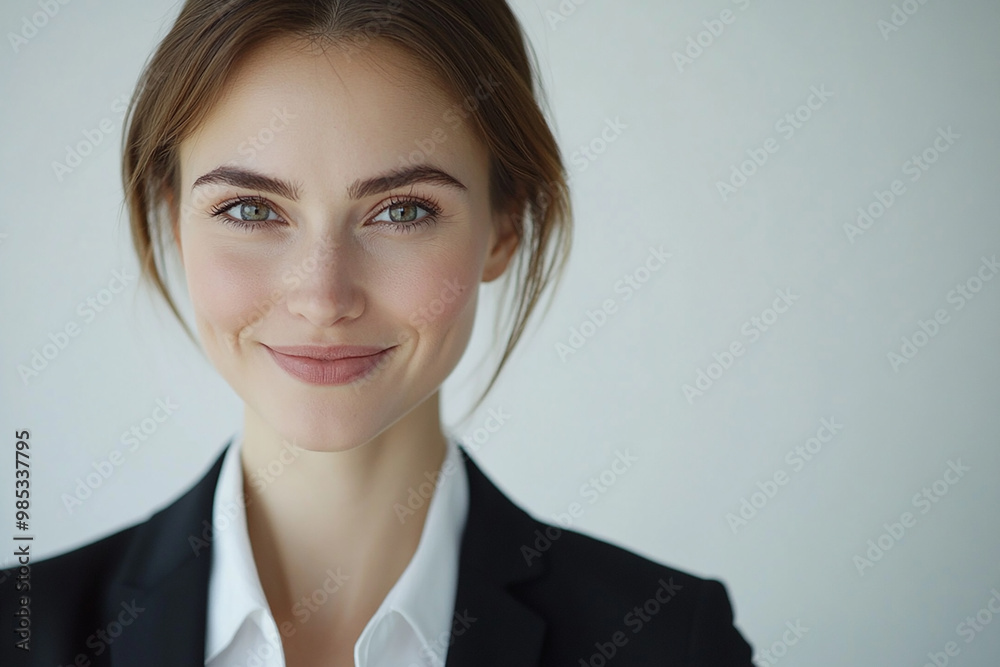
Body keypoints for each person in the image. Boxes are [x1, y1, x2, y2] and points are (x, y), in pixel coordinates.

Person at [0, 1, 754, 664]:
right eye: (251, 210)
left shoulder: (668, 640)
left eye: (402, 211)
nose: (324, 297)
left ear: (504, 226)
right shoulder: (19, 632)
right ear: (171, 217)